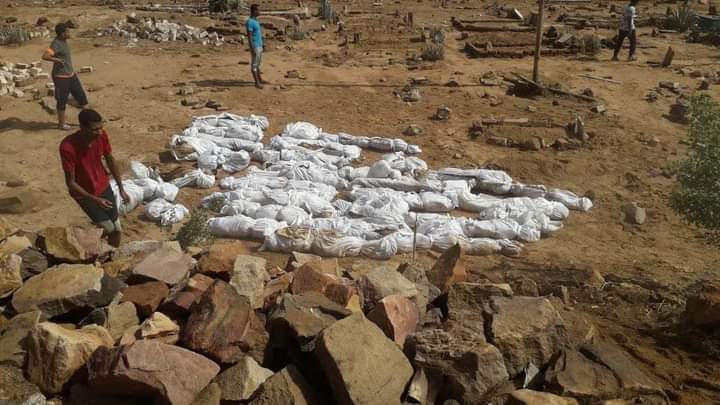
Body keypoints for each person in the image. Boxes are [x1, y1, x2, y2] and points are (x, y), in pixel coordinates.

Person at [59, 109, 128, 247]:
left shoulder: (101, 136)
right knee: (109, 228)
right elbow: (71, 183)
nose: (99, 132)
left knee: (117, 228)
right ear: (82, 127)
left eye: (101, 128)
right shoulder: (67, 147)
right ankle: (84, 242)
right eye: (94, 129)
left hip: (103, 186)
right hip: (84, 194)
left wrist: (121, 188)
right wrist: (95, 199)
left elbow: (110, 159)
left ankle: (113, 252)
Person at [42, 22, 89, 130]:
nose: (69, 33)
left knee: (82, 98)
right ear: (63, 34)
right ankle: (61, 124)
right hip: (61, 78)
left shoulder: (64, 41)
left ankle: (89, 120)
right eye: (68, 31)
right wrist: (57, 60)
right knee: (62, 101)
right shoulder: (56, 44)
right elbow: (45, 56)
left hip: (71, 75)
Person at [246, 4, 269, 89]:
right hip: (255, 46)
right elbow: (249, 36)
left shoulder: (255, 21)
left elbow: (258, 34)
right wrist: (252, 48)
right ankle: (257, 83)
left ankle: (260, 80)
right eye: (258, 10)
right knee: (255, 65)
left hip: (259, 45)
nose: (260, 12)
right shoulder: (250, 22)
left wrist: (263, 44)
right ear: (254, 11)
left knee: (258, 64)